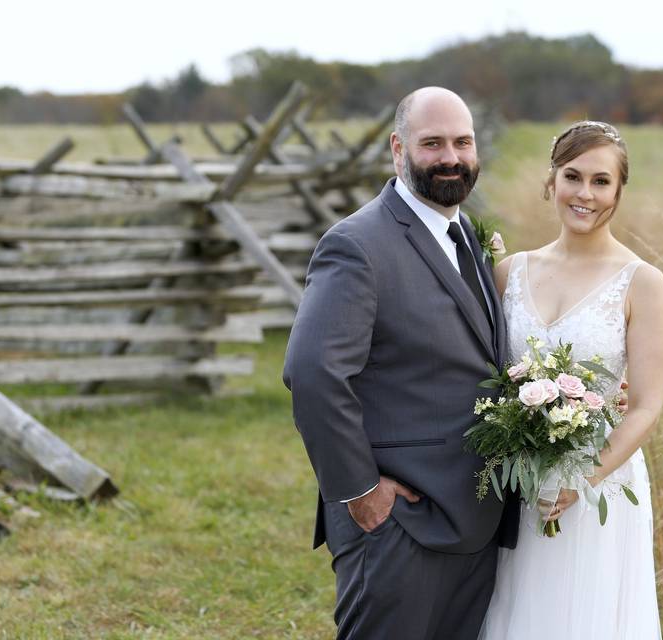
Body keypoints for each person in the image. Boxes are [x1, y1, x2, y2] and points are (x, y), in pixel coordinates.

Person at [283, 87, 519, 639]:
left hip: (473, 523)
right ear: (398, 149)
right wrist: (360, 491)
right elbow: (314, 374)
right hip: (398, 526)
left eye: (462, 142)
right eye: (432, 143)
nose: (451, 158)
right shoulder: (358, 244)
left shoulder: (467, 239)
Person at [479, 121, 663, 639]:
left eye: (602, 181)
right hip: (520, 482)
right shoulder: (508, 273)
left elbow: (647, 406)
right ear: (552, 181)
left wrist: (579, 479)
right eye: (573, 176)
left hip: (598, 482)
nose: (585, 193)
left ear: (619, 190)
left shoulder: (643, 283)